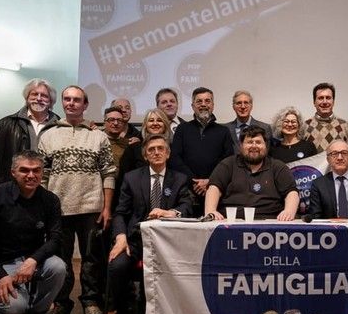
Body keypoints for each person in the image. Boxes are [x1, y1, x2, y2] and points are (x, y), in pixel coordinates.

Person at [38, 85, 116, 314]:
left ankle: (91, 301)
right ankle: (61, 302)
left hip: (91, 208)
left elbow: (108, 173)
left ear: (85, 104)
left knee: (92, 259)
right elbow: (43, 176)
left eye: (77, 100)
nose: (71, 103)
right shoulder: (48, 136)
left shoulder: (98, 136)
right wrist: (43, 208)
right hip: (58, 210)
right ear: (62, 102)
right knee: (60, 260)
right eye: (67, 99)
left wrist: (106, 208)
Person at [0, 150, 65, 314]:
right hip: (2, 262)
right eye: (24, 170)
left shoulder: (50, 200)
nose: (31, 175)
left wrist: (33, 260)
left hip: (32, 261)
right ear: (13, 172)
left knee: (58, 267)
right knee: (13, 308)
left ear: (42, 172)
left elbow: (55, 238)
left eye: (36, 170)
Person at [107, 135, 192, 314]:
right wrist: (121, 237)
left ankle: (142, 311)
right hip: (135, 240)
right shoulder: (132, 178)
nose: (156, 152)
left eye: (160, 148)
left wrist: (170, 213)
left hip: (167, 243)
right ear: (145, 155)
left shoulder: (179, 179)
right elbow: (120, 213)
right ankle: (122, 311)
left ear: (168, 153)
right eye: (151, 149)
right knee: (117, 265)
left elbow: (187, 206)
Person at [0, 78, 59, 184]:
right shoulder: (6, 125)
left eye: (44, 96)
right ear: (27, 98)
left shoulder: (61, 127)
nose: (39, 98)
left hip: (49, 189)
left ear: (51, 101)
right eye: (34, 94)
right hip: (14, 190)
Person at [205, 125, 299, 220]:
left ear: (266, 146)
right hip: (231, 221)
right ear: (241, 145)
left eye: (258, 142)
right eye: (249, 142)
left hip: (270, 221)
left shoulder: (278, 166)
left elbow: (291, 192)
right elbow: (214, 188)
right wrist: (210, 211)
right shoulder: (228, 164)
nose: (254, 146)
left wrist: (289, 211)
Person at [169, 87, 234, 216]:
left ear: (213, 105)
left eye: (207, 101)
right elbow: (175, 158)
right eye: (199, 101)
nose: (203, 104)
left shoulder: (223, 131)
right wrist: (194, 182)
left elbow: (228, 161)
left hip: (216, 191)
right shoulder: (182, 129)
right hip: (187, 192)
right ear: (193, 106)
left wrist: (210, 181)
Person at [118, 108, 171, 177]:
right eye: (151, 120)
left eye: (159, 120)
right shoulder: (133, 148)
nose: (155, 123)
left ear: (165, 125)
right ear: (146, 125)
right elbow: (124, 175)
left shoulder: (173, 148)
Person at [303, 82, 348, 152]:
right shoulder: (305, 126)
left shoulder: (345, 125)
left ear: (333, 101)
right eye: (320, 98)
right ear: (314, 102)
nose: (325, 102)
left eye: (328, 98)